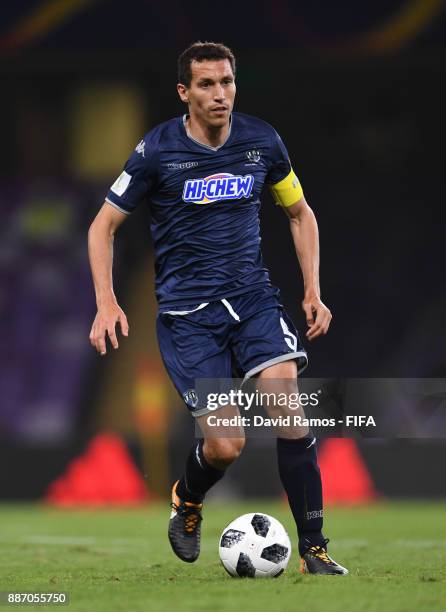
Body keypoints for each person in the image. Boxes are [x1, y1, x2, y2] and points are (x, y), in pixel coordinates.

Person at [88, 41, 347, 575]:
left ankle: (315, 549)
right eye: (206, 84)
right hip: (190, 319)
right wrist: (107, 302)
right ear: (184, 92)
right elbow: (102, 226)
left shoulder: (262, 141)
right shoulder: (157, 150)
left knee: (289, 407)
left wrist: (312, 289)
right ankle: (187, 498)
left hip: (253, 301)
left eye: (227, 82)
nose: (219, 94)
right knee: (227, 444)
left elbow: (300, 214)